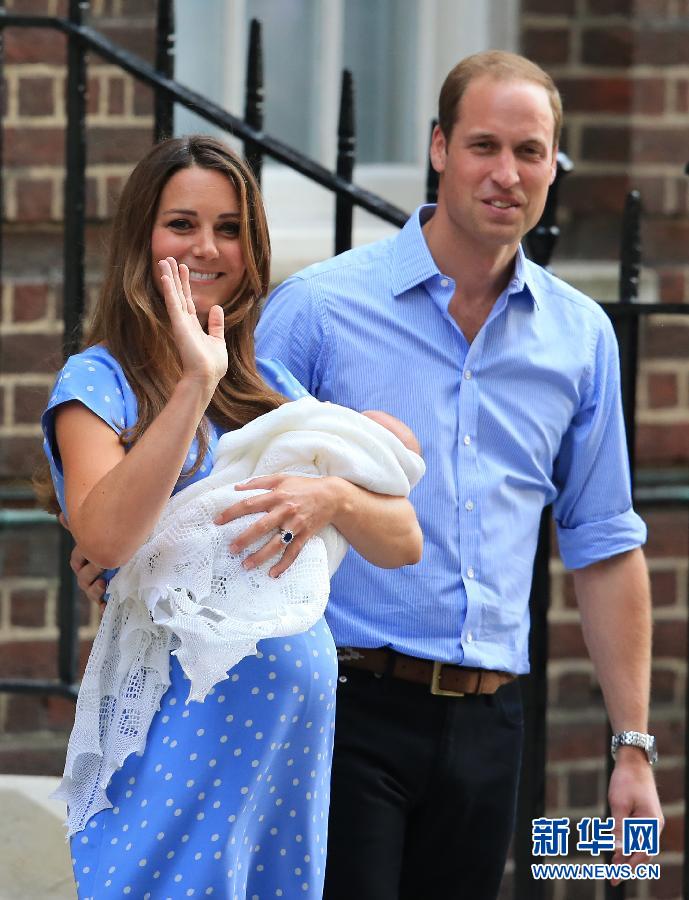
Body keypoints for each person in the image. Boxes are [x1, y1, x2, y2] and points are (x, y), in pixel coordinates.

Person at [254, 51, 664, 899]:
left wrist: (632, 748)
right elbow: (238, 491)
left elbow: (603, 546)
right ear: (438, 148)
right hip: (343, 704)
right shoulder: (319, 310)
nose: (506, 174)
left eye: (530, 152)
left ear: (554, 165)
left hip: (490, 723)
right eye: (483, 145)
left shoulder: (581, 338)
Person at [37, 135, 422, 900]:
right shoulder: (97, 382)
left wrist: (334, 499)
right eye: (182, 224)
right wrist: (190, 386)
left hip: (284, 754)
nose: (207, 247)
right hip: (181, 734)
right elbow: (107, 536)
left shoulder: (271, 387)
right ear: (141, 239)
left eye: (229, 227)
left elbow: (403, 539)